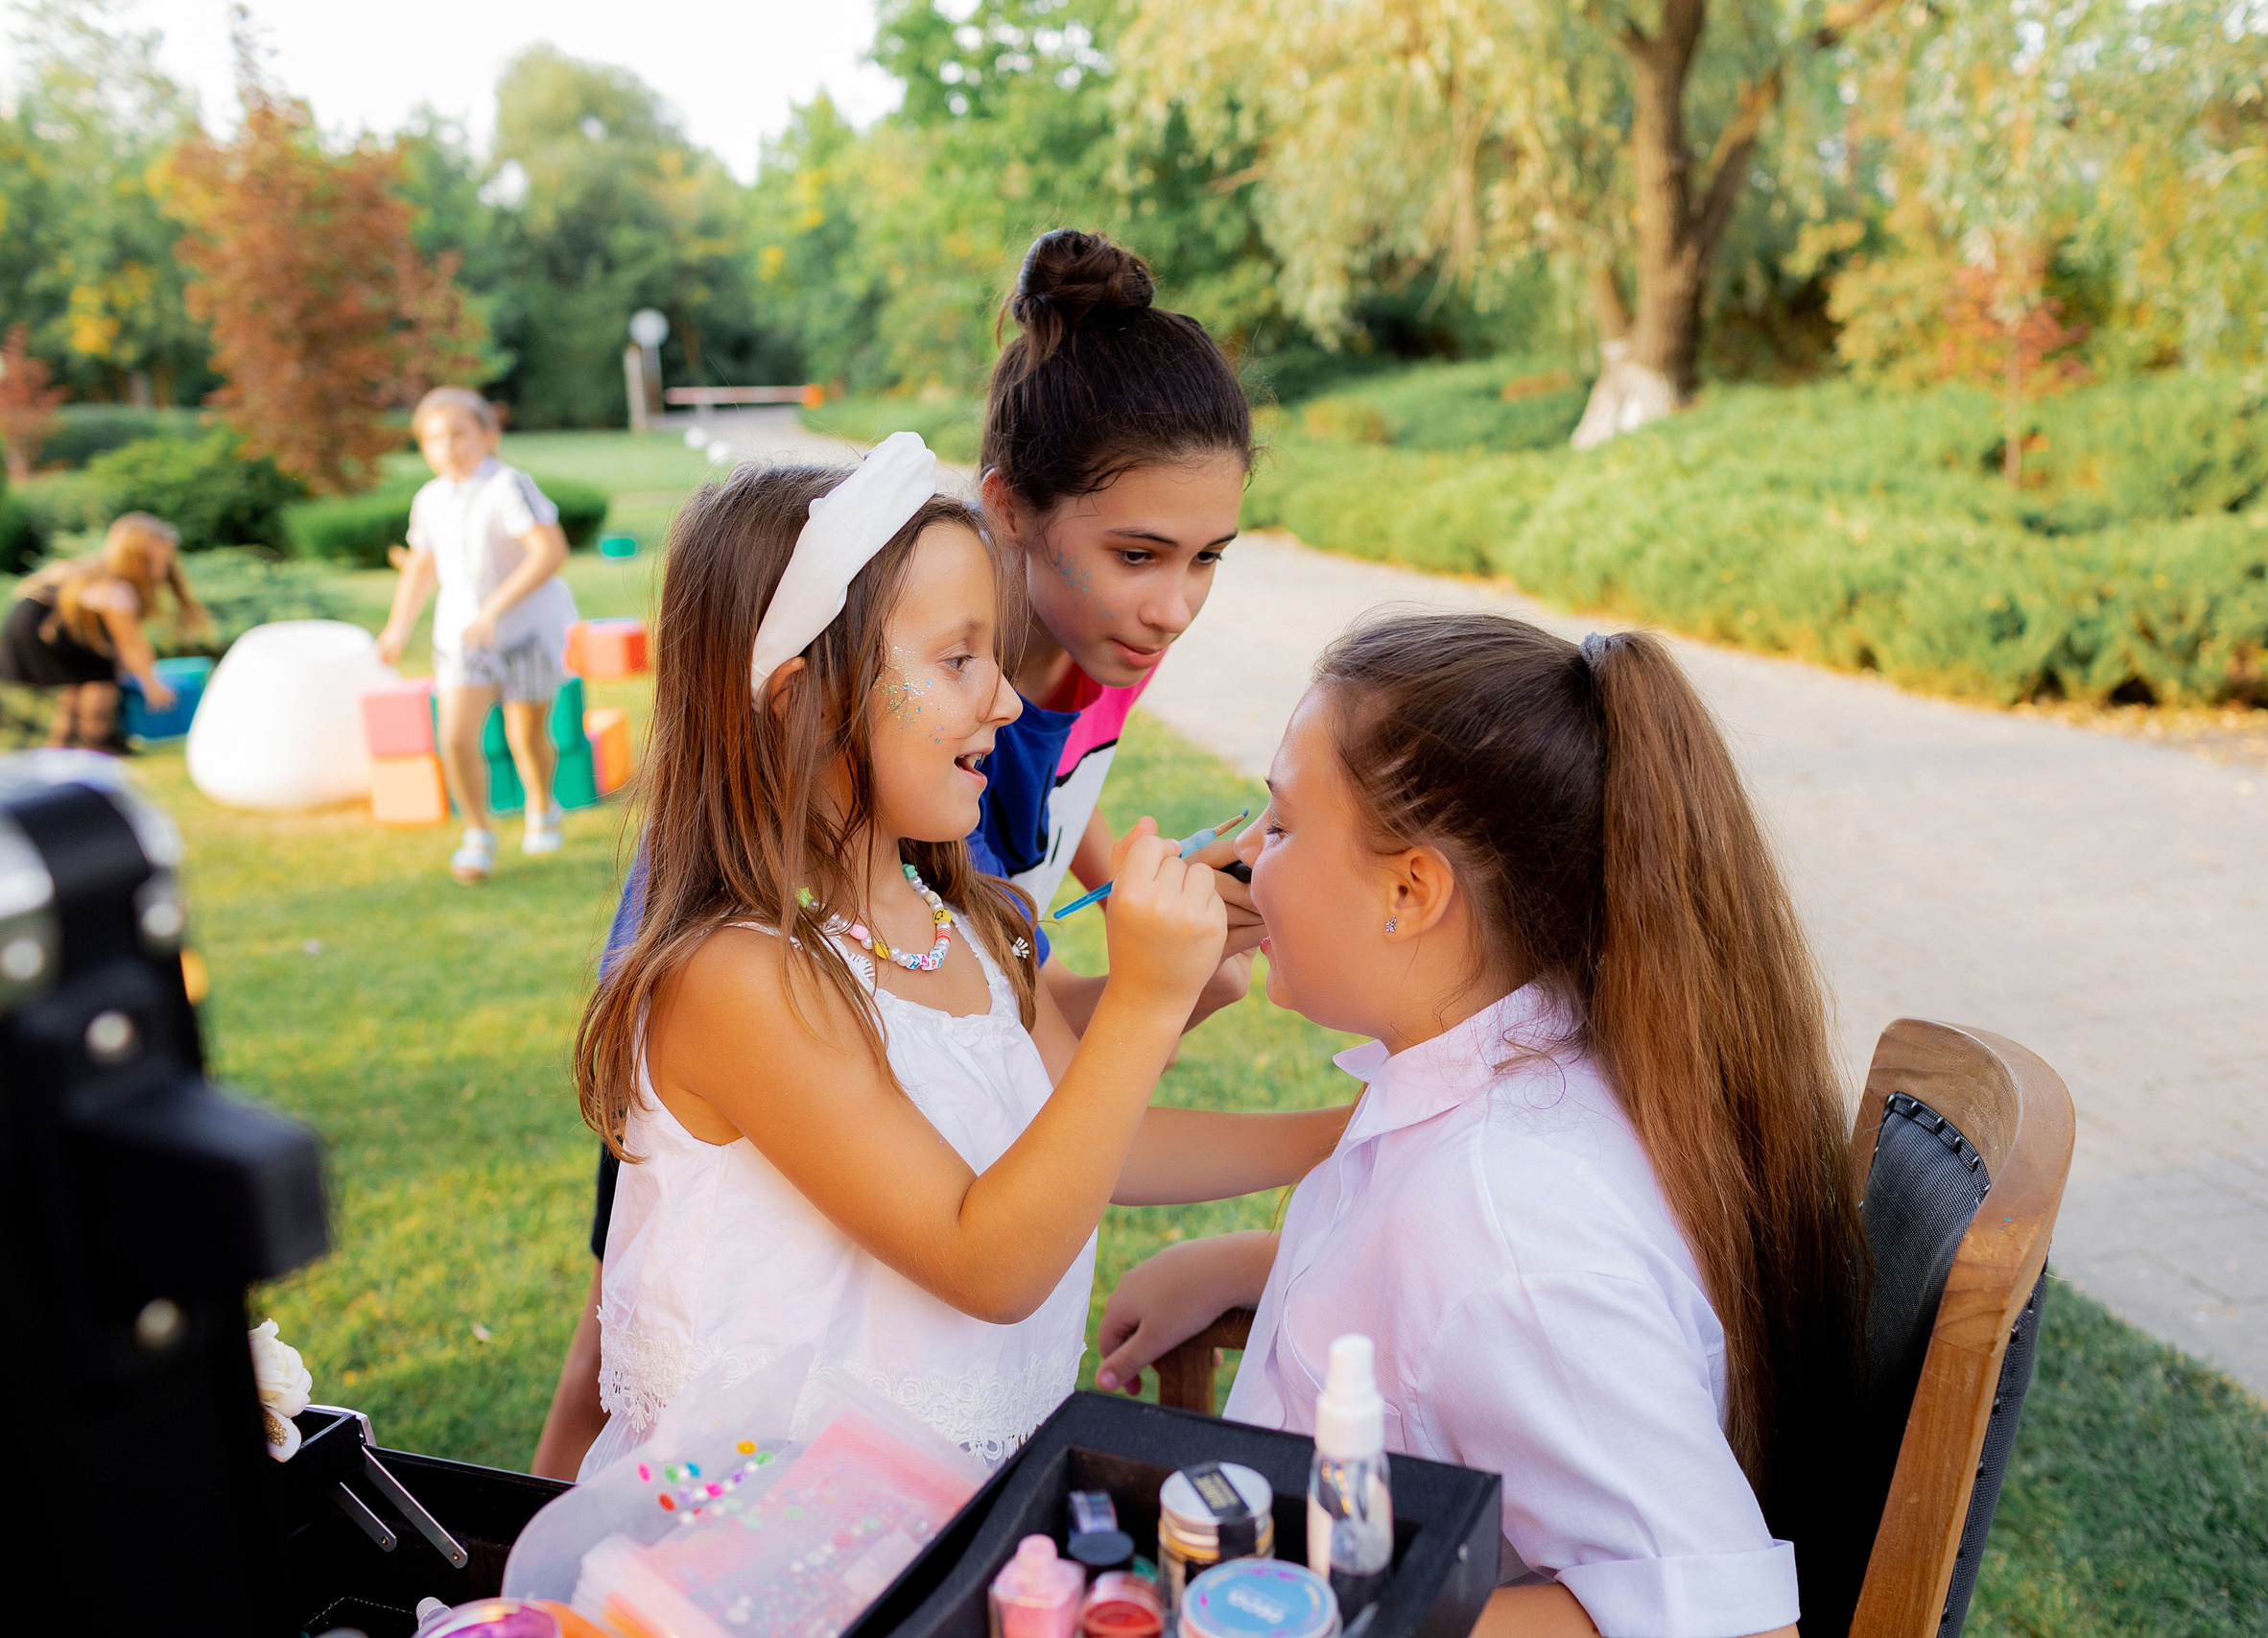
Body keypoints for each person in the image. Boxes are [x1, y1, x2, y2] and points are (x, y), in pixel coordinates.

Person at [532, 227, 1262, 1477]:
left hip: (939, 1509)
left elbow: (1067, 1126)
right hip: (772, 1539)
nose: (1000, 702)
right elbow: (990, 1257)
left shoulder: (966, 914)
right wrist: (1148, 998)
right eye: (958, 661)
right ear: (806, 700)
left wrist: (1341, 1127)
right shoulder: (737, 975)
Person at [1093, 613, 1875, 1638]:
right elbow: (1444, 1324)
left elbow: (1734, 1626)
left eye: (1279, 827)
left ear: (1412, 889)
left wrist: (1342, 1620)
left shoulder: (1503, 1227)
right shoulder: (1528, 1062)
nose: (1244, 857)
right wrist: (1251, 1266)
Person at [376, 387, 579, 884]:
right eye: (433, 439)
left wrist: (494, 608)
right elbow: (421, 566)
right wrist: (397, 628)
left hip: (526, 632)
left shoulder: (509, 485)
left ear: (488, 436)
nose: (447, 447)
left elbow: (550, 552)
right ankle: (478, 835)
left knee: (525, 734)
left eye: (458, 434)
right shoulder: (429, 499)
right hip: (463, 637)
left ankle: (542, 805)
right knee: (456, 737)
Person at [0, 512, 207, 750]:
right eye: (150, 563)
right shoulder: (116, 588)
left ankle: (69, 744)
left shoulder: (95, 570)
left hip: (34, 624)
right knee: (99, 673)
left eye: (164, 563)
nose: (159, 572)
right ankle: (93, 740)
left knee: (88, 675)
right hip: (40, 629)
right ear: (132, 559)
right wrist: (152, 685)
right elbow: (131, 643)